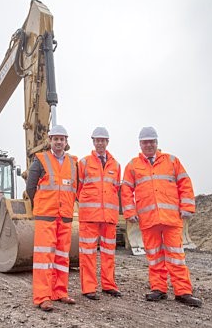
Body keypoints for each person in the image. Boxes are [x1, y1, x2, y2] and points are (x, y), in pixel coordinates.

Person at [121, 127, 202, 307]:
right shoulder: (133, 165)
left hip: (171, 218)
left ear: (157, 142)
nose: (148, 145)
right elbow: (126, 190)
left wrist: (187, 206)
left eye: (152, 141)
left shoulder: (172, 161)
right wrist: (130, 212)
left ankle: (183, 292)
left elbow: (185, 183)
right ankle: (158, 289)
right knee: (154, 256)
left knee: (176, 256)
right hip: (148, 219)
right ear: (140, 144)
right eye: (145, 142)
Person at [26, 124, 78, 311]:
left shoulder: (73, 163)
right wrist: (41, 205)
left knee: (62, 256)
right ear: (50, 140)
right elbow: (30, 188)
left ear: (66, 142)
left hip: (64, 216)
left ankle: (60, 292)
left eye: (61, 139)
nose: (58, 142)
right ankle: (42, 297)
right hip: (46, 216)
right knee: (43, 257)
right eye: (55, 138)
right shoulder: (40, 160)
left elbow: (75, 189)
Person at [77, 127, 121, 300]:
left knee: (109, 252)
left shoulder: (116, 165)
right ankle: (89, 288)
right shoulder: (84, 163)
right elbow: (77, 189)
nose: (100, 143)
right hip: (89, 217)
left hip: (109, 217)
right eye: (97, 140)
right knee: (87, 253)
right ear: (93, 142)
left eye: (103, 140)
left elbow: (115, 188)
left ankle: (109, 285)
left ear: (107, 142)